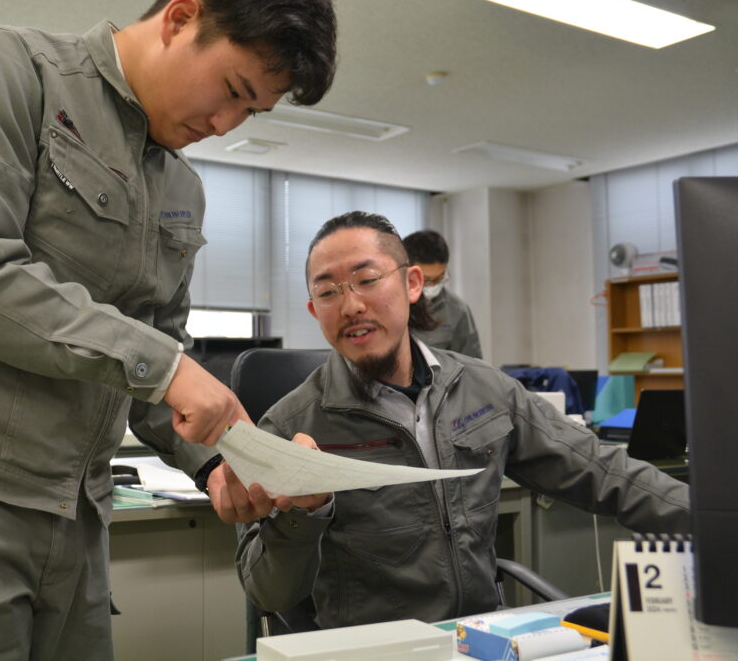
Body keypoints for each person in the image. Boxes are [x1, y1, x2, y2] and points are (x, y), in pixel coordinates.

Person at [0, 0, 337, 658]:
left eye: (253, 112)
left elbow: (156, 366)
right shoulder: (6, 71)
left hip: (77, 510)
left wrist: (218, 462)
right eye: (234, 90)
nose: (225, 125)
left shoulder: (181, 187)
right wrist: (165, 368)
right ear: (180, 18)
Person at [234, 211, 690, 629]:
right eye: (328, 291)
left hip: (484, 636)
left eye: (367, 280)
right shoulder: (290, 428)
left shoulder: (485, 389)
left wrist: (714, 519)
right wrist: (303, 513)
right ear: (315, 312)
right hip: (377, 649)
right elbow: (268, 593)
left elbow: (605, 472)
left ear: (413, 284)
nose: (350, 305)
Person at [403, 229, 483, 359]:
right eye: (427, 280)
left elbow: (472, 365)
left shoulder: (457, 311)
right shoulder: (386, 305)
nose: (433, 286)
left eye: (439, 278)